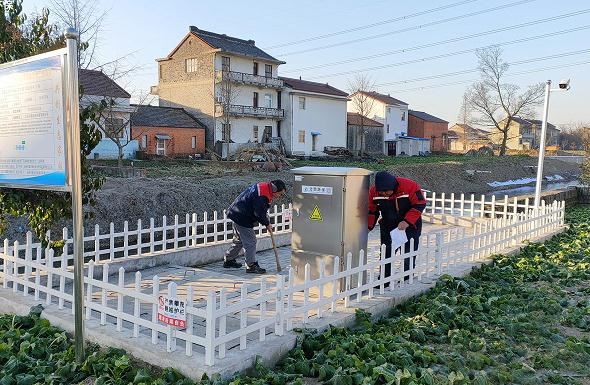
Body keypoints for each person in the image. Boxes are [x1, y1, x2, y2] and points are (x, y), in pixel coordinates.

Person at [368, 171, 426, 284]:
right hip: (388, 225)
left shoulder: (409, 186)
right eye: (381, 192)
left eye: (386, 191)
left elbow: (420, 204)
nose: (384, 194)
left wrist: (407, 221)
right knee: (386, 252)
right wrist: (368, 227)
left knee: (408, 251)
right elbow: (372, 211)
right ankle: (384, 280)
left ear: (393, 186)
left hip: (410, 225)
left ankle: (406, 278)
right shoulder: (373, 192)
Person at [224, 180, 287, 274]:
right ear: (275, 190)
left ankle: (229, 260)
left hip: (236, 212)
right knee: (251, 241)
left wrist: (266, 220)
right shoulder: (262, 196)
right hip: (242, 216)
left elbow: (261, 209)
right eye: (280, 194)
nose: (279, 196)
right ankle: (251, 265)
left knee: (240, 239)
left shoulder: (264, 187)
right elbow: (259, 213)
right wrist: (267, 224)